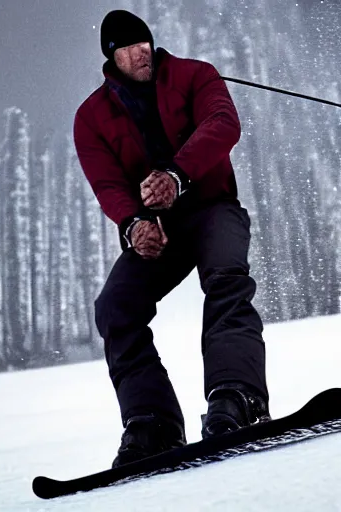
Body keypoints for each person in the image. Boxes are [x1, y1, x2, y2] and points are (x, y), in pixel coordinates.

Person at [73, 9, 271, 468]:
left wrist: (176, 175)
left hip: (213, 208)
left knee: (225, 277)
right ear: (111, 57)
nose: (142, 53)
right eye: (129, 48)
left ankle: (237, 398)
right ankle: (153, 422)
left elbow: (223, 123)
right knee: (115, 307)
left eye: (145, 43)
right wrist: (133, 225)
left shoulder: (194, 75)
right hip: (158, 230)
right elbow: (107, 185)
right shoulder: (91, 117)